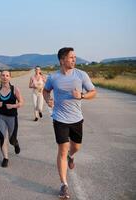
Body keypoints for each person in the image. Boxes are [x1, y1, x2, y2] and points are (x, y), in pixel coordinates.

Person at [43, 47, 96, 199]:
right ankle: (63, 185)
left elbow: (93, 92)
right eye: (71, 57)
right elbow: (45, 91)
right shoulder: (53, 77)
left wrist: (82, 96)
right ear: (62, 60)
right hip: (59, 119)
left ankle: (71, 156)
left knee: (75, 147)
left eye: (74, 57)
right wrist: (48, 100)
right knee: (62, 149)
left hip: (76, 119)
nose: (74, 59)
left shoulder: (81, 75)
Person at [0, 70, 24, 168]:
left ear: (10, 77)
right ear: (0, 77)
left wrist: (14, 106)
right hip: (0, 117)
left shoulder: (15, 89)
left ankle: (15, 143)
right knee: (2, 138)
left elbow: (22, 102)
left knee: (11, 139)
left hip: (12, 118)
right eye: (3, 75)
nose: (5, 77)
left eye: (7, 75)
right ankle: (5, 158)